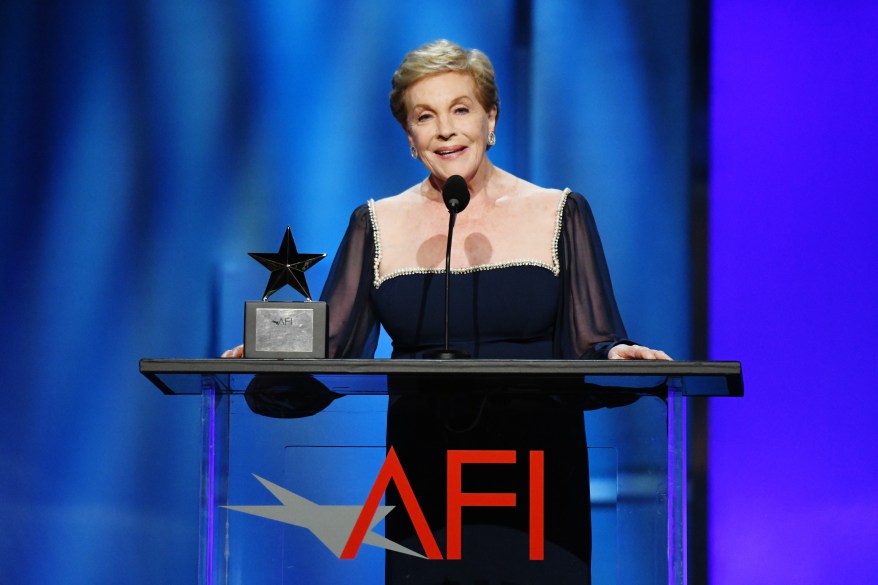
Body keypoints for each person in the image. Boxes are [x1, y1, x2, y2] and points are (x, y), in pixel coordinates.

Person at [225, 39, 670, 584]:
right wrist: (273, 352)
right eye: (424, 116)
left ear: (491, 118)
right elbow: (335, 344)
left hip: (536, 480)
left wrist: (613, 352)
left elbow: (590, 335)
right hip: (425, 480)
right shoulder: (376, 223)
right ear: (410, 138)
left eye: (461, 109)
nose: (445, 130)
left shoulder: (559, 211)